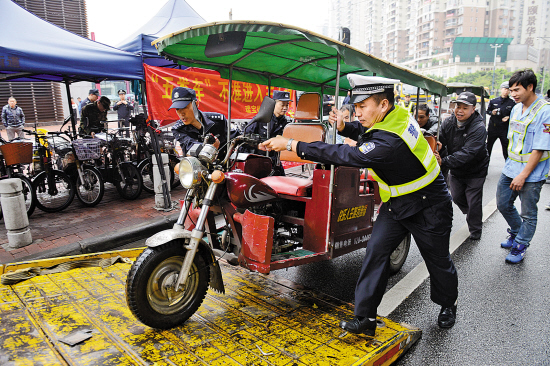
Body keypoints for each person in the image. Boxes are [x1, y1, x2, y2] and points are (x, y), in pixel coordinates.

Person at [260, 74, 458, 334]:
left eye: (363, 107)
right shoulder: (394, 117)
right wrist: (345, 128)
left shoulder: (390, 142)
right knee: (376, 253)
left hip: (428, 205)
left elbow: (348, 154)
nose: (358, 113)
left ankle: (447, 304)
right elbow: (368, 132)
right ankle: (365, 319)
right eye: (356, 108)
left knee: (437, 260)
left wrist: (292, 144)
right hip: (396, 203)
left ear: (383, 105)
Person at [496, 69, 550, 263]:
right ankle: (517, 231)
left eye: (517, 90)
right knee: (503, 203)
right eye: (511, 90)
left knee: (528, 213)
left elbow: (540, 148)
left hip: (532, 173)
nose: (513, 94)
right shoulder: (516, 108)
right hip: (511, 168)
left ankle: (521, 244)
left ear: (530, 87)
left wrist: (524, 175)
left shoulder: (545, 111)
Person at [436, 92, 489, 241]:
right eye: (457, 106)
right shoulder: (448, 122)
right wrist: (438, 146)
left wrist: (444, 161)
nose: (459, 110)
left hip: (476, 170)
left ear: (473, 109)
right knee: (457, 197)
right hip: (456, 169)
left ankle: (475, 229)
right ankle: (473, 214)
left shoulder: (479, 128)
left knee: (473, 201)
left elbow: (468, 153)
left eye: (465, 108)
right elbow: (441, 141)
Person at [244, 90, 293, 175]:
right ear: (274, 104)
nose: (285, 108)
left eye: (287, 105)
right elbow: (244, 137)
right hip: (258, 161)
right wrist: (257, 145)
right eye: (282, 104)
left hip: (275, 162)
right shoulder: (261, 118)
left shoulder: (287, 123)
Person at [170, 87, 230, 156]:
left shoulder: (219, 121)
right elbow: (189, 145)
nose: (181, 113)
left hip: (224, 164)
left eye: (184, 107)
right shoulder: (178, 129)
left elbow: (234, 137)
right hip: (195, 165)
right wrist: (211, 148)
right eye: (177, 109)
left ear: (196, 104)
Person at [486, 81, 516, 161]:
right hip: (493, 127)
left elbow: (515, 115)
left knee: (506, 148)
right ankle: (484, 165)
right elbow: (487, 111)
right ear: (501, 89)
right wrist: (492, 112)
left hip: (504, 128)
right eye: (504, 89)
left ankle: (508, 165)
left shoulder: (512, 103)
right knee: (488, 147)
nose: (506, 91)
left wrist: (509, 117)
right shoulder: (494, 101)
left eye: (508, 89)